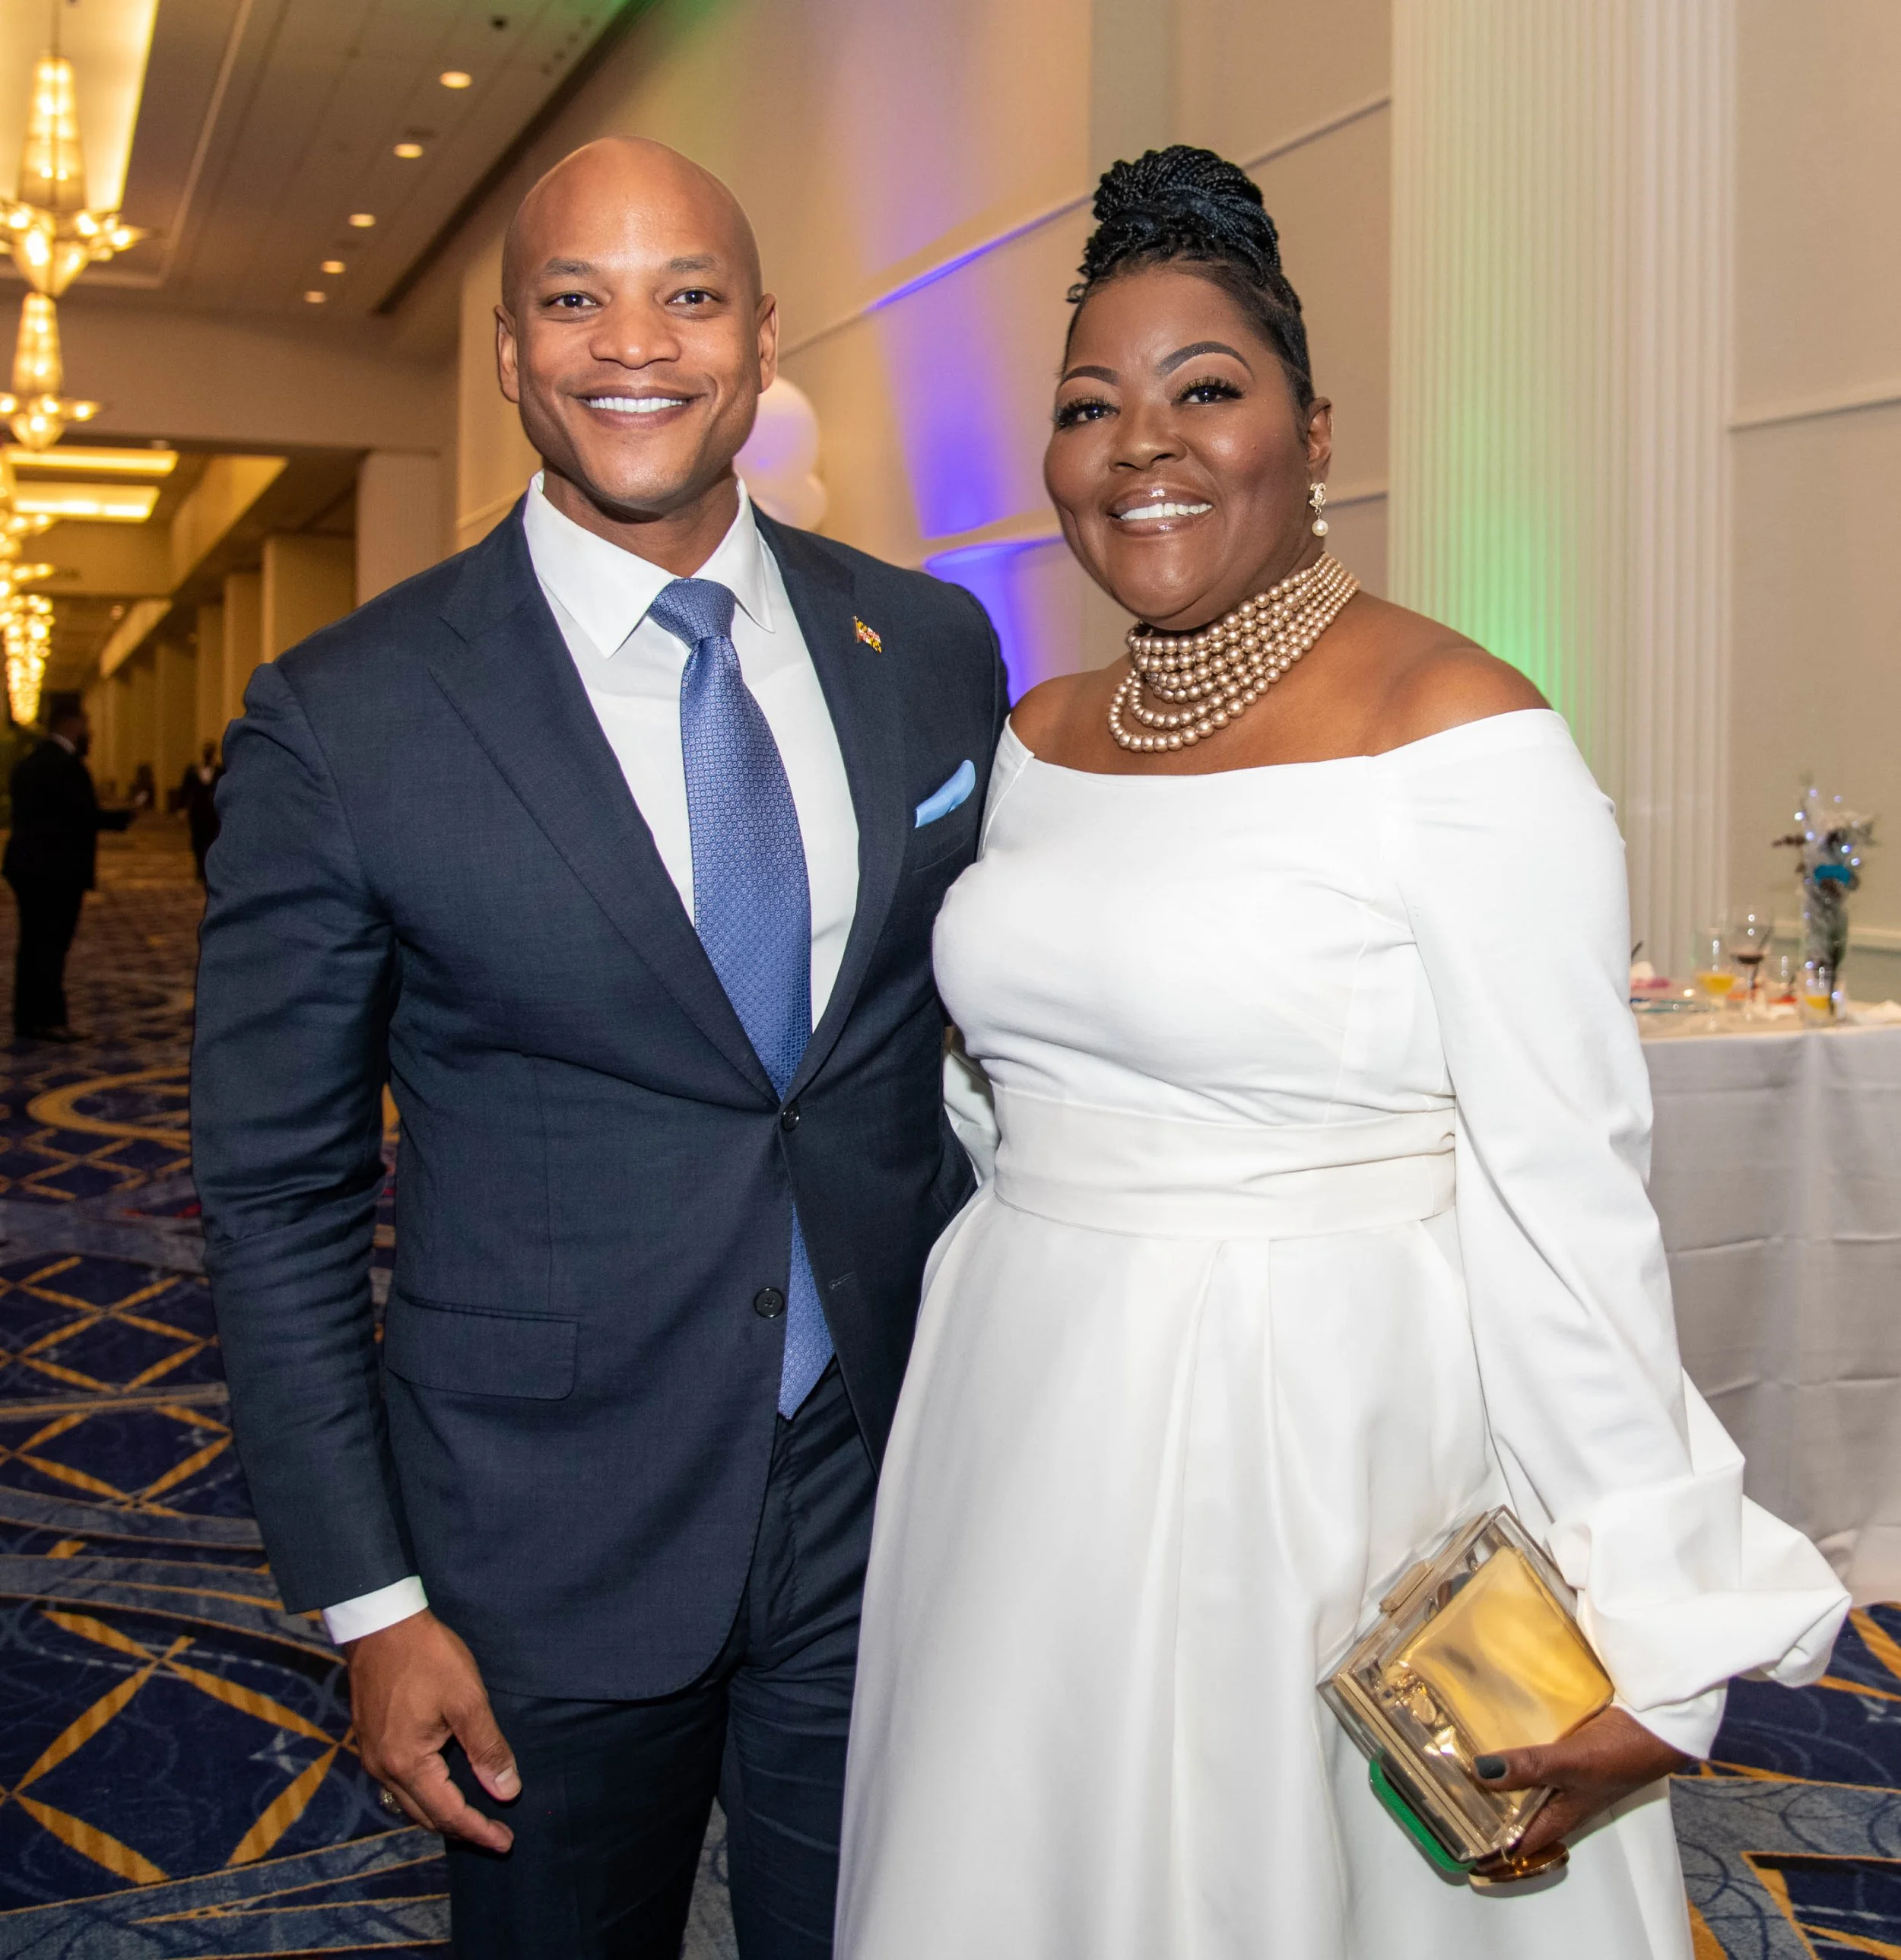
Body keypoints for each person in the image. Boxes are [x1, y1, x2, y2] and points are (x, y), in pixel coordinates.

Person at [837, 148, 1849, 1959]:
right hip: (1016, 1402)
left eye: (1202, 390)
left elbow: (1564, 1190)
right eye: (1089, 405)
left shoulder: (1460, 734)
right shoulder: (1040, 735)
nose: (1138, 442)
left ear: (1313, 432)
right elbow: (990, 1089)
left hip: (1307, 1438)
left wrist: (1653, 1614)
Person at [190, 137, 1004, 1960]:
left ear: (763, 336)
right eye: (575, 297)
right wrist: (371, 1600)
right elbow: (278, 1193)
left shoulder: (932, 648)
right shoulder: (351, 715)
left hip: (884, 1487)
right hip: (539, 1534)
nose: (633, 343)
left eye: (688, 295)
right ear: (506, 351)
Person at [4, 703, 132, 1042]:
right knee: (50, 945)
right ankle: (48, 1019)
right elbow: (82, 815)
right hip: (56, 871)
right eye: (86, 724)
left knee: (32, 944)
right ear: (71, 724)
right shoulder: (67, 766)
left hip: (25, 866)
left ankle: (28, 1018)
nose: (89, 732)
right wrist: (124, 818)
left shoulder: (28, 764)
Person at [179, 741, 223, 884]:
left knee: (212, 841)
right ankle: (199, 868)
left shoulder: (220, 770)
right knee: (197, 841)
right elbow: (185, 791)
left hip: (213, 813)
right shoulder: (192, 771)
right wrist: (182, 808)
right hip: (197, 812)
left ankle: (209, 869)